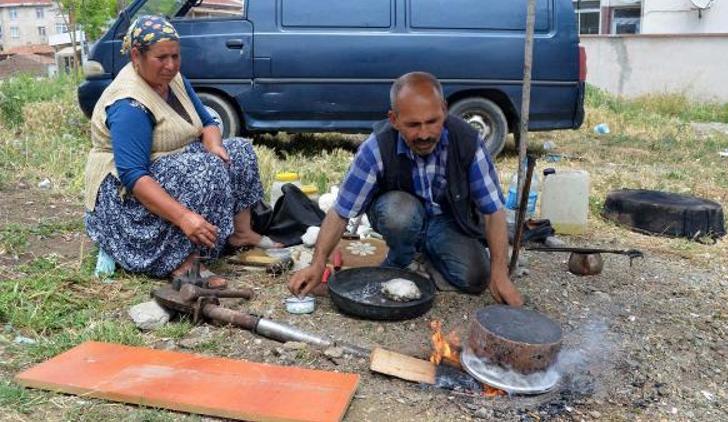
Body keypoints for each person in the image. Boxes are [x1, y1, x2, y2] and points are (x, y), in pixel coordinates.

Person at [288, 71, 523, 306]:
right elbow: (341, 212)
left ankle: (424, 257)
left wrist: (500, 274)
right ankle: (401, 259)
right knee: (399, 212)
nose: (423, 134)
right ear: (394, 120)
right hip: (401, 216)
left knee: (476, 279)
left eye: (432, 121)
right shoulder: (376, 148)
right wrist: (318, 264)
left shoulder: (468, 142)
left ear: (443, 109)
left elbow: (493, 212)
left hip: (446, 223)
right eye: (412, 125)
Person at [83, 16, 277, 284]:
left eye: (175, 56)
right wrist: (185, 217)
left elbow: (207, 123)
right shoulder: (129, 104)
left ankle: (240, 233)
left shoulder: (174, 80)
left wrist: (214, 145)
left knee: (238, 151)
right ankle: (184, 262)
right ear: (136, 55)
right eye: (161, 57)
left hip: (168, 166)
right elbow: (134, 176)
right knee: (204, 170)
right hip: (125, 197)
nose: (171, 65)